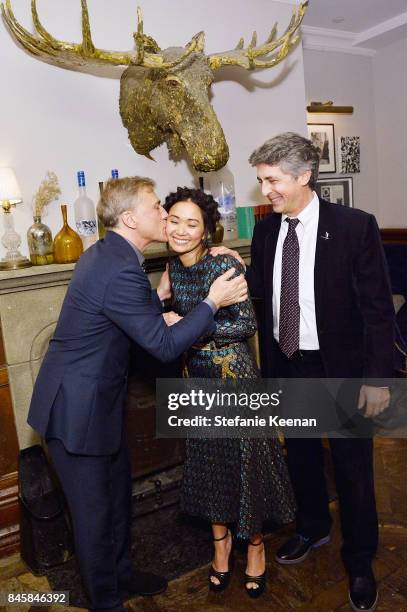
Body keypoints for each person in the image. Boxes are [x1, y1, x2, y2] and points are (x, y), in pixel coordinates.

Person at [27, 176, 249, 612]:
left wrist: (158, 295)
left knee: (116, 504)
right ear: (130, 218)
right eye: (155, 208)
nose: (164, 215)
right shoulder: (118, 267)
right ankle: (106, 602)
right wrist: (212, 300)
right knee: (93, 520)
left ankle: (123, 575)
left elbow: (121, 313)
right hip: (75, 413)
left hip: (97, 406)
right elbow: (163, 346)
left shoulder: (112, 256)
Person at [215, 132, 395, 611]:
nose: (265, 190)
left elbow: (379, 310)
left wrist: (379, 380)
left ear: (302, 176)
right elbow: (264, 288)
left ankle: (359, 562)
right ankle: (312, 527)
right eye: (260, 181)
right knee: (301, 457)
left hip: (340, 369)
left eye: (272, 180)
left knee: (353, 472)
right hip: (287, 364)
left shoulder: (355, 227)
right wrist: (227, 265)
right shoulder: (269, 228)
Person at [164, 186, 295, 599]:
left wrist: (187, 331)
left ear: (205, 232)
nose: (181, 230)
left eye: (192, 223)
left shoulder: (221, 265)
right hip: (196, 381)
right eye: (174, 220)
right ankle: (220, 545)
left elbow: (245, 325)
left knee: (244, 463)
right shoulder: (171, 268)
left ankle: (255, 546)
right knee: (208, 465)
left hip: (232, 375)